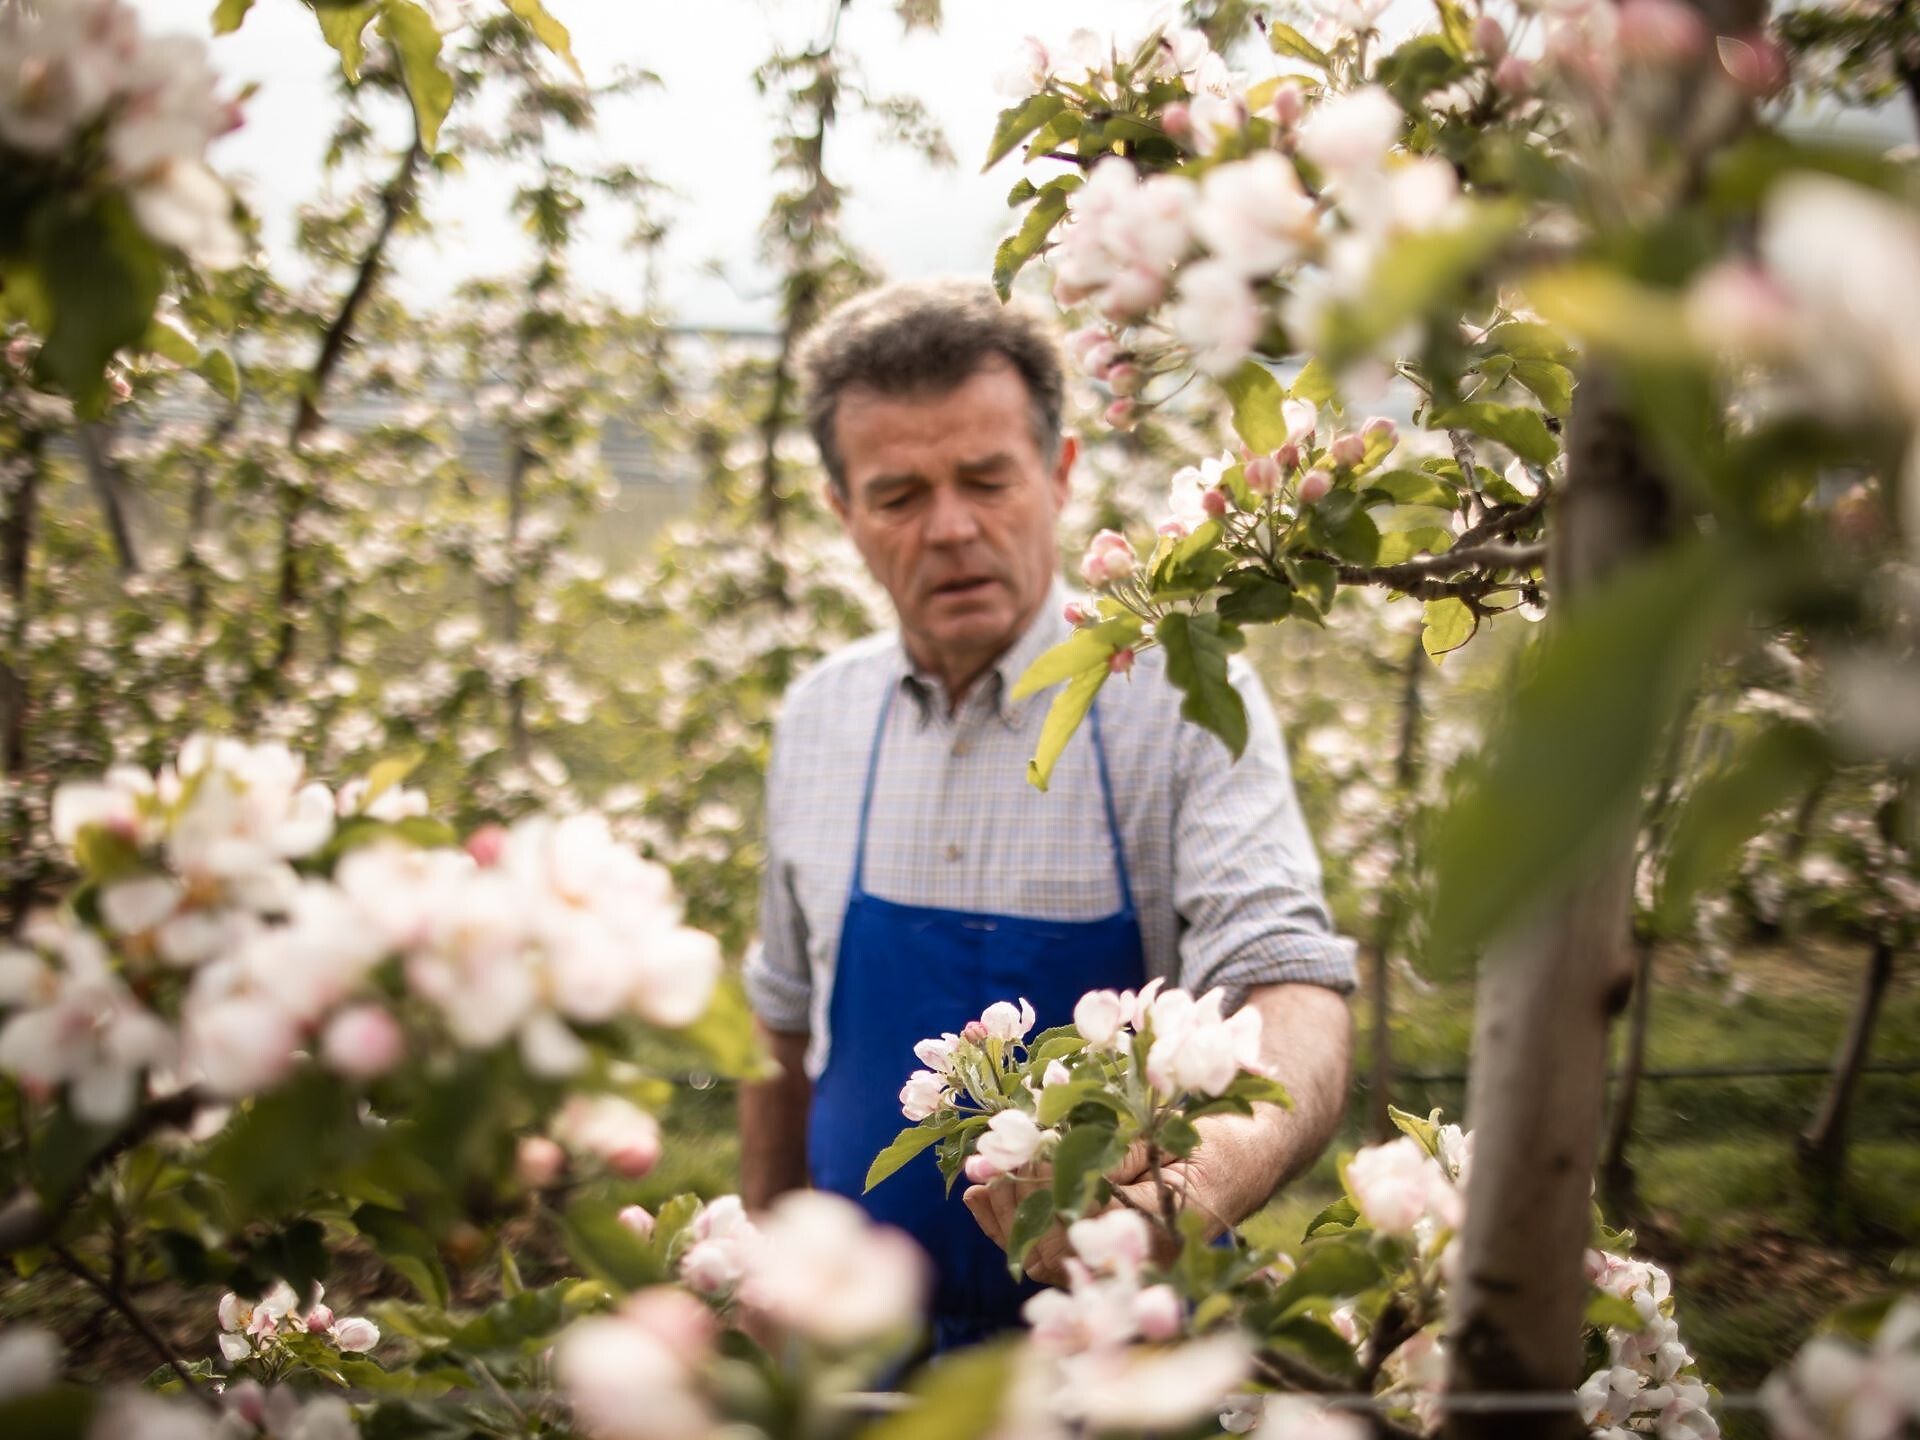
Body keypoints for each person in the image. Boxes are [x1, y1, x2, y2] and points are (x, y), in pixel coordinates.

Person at [738, 278, 1356, 1351]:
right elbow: (782, 1024)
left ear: (1061, 475)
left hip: (1105, 1358)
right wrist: (763, 1282)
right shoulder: (819, 718)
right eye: (898, 495)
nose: (951, 528)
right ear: (844, 515)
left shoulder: (1174, 702)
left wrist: (1182, 1199)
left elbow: (1291, 984)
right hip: (851, 1364)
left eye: (988, 479)